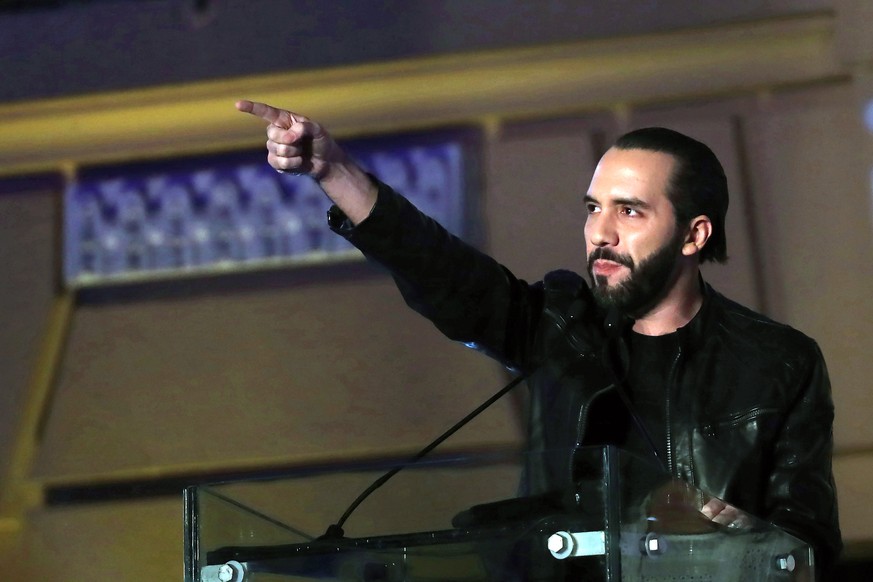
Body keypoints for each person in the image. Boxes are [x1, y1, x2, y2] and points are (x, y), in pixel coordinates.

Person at [236, 100, 842, 575]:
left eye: (629, 212)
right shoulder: (560, 327)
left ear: (694, 235)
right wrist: (333, 169)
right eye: (591, 208)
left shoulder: (777, 362)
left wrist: (748, 541)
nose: (599, 232)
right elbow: (442, 271)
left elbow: (811, 543)